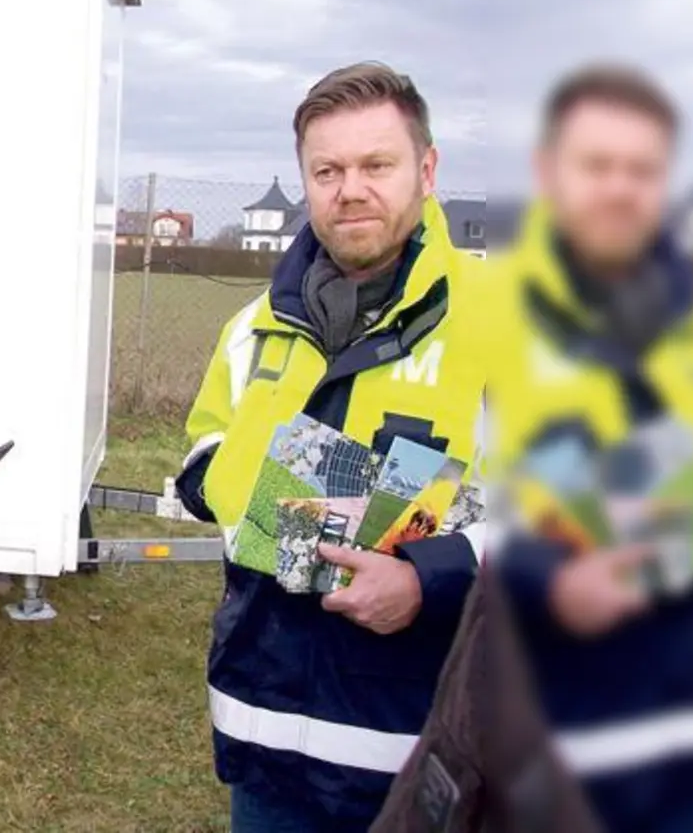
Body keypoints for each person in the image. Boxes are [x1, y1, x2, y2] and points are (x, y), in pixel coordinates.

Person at [174, 62, 491, 831]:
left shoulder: (507, 324)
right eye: (328, 171)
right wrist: (262, 495)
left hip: (423, 754)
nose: (350, 190)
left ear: (426, 170)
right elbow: (203, 453)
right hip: (264, 736)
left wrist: (427, 576)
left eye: (376, 166)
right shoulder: (252, 325)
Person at [475, 64, 693, 833]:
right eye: (598, 165)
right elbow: (448, 503)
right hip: (557, 758)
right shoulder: (487, 321)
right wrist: (550, 581)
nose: (621, 188)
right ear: (547, 172)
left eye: (642, 170)